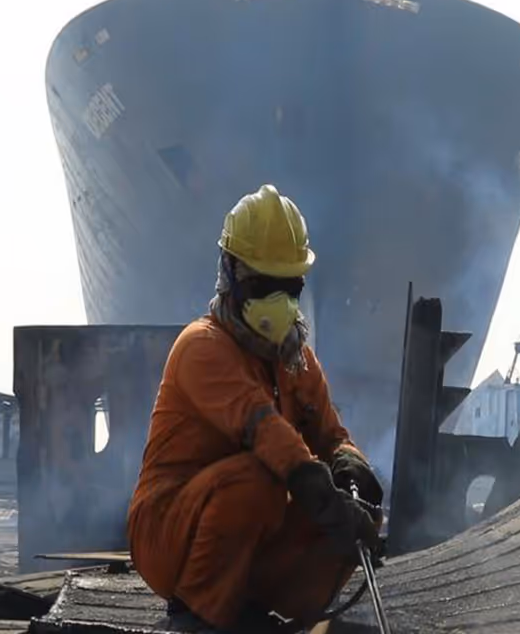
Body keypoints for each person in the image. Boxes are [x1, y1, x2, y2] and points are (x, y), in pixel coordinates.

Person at [127, 184, 385, 633]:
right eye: (266, 286)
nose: (280, 303)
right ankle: (200, 616)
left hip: (242, 530)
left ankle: (271, 612)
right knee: (261, 479)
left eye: (290, 288)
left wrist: (350, 466)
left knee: (354, 514)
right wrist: (318, 488)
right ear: (232, 276)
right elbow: (266, 431)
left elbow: (331, 433)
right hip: (167, 532)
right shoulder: (201, 347)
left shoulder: (295, 360)